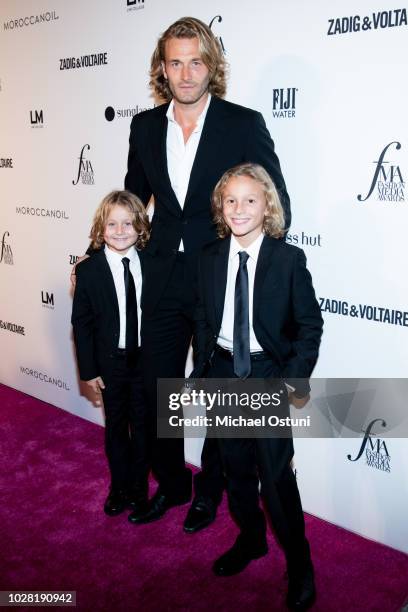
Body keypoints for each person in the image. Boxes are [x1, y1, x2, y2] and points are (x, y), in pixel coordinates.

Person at [124, 16, 291, 530]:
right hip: (160, 278)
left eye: (196, 61)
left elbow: (277, 203)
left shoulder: (242, 123)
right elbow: (132, 199)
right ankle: (172, 485)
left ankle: (208, 493)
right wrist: (97, 255)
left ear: (211, 65)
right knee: (158, 392)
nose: (187, 73)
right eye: (176, 62)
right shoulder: (145, 126)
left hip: (220, 282)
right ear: (163, 68)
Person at [189, 163, 323, 610]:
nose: (240, 208)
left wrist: (294, 379)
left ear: (267, 205)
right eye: (231, 200)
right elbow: (204, 317)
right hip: (225, 374)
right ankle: (251, 540)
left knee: (275, 476)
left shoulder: (287, 260)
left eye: (250, 199)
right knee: (236, 470)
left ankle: (300, 563)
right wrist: (205, 369)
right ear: (219, 207)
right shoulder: (208, 257)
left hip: (267, 376)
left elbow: (309, 325)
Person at [72, 190, 150, 517]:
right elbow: (82, 323)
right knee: (116, 428)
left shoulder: (153, 264)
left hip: (146, 362)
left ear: (141, 227)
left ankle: (139, 489)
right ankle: (119, 487)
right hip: (111, 364)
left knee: (146, 430)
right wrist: (88, 371)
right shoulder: (89, 271)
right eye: (112, 224)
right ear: (100, 228)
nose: (120, 231)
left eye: (128, 223)